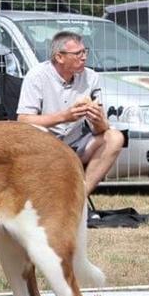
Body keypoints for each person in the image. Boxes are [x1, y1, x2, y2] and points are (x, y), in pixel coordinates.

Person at [16, 30, 125, 197]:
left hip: (75, 146)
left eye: (85, 51)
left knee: (115, 137)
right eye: (78, 53)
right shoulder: (37, 76)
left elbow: (100, 130)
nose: (84, 57)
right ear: (59, 57)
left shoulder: (91, 77)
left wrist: (98, 120)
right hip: (44, 148)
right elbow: (23, 120)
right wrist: (65, 116)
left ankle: (79, 198)